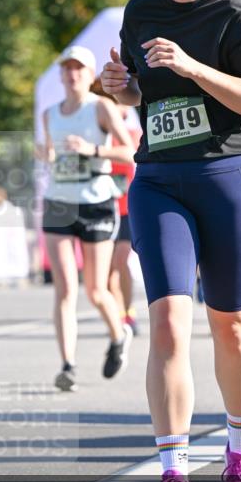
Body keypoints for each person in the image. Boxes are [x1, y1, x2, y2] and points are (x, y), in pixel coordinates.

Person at [101, 0, 241, 482]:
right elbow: (137, 96)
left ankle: (240, 447)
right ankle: (173, 471)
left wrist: (194, 66)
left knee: (229, 322)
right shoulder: (140, 10)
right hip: (159, 180)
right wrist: (122, 88)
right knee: (170, 321)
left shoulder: (235, 14)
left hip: (229, 178)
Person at [39, 45, 136, 392]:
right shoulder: (50, 114)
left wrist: (93, 150)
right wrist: (48, 154)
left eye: (79, 69)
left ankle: (119, 333)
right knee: (64, 288)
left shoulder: (103, 108)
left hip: (96, 199)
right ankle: (68, 365)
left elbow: (130, 152)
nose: (72, 74)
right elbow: (52, 155)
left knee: (95, 290)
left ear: (89, 74)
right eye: (67, 68)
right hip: (59, 200)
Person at [91, 76, 144, 336]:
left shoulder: (131, 128)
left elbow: (135, 155)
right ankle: (118, 316)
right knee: (109, 268)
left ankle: (128, 312)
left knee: (122, 260)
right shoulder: (97, 129)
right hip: (104, 204)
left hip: (128, 206)